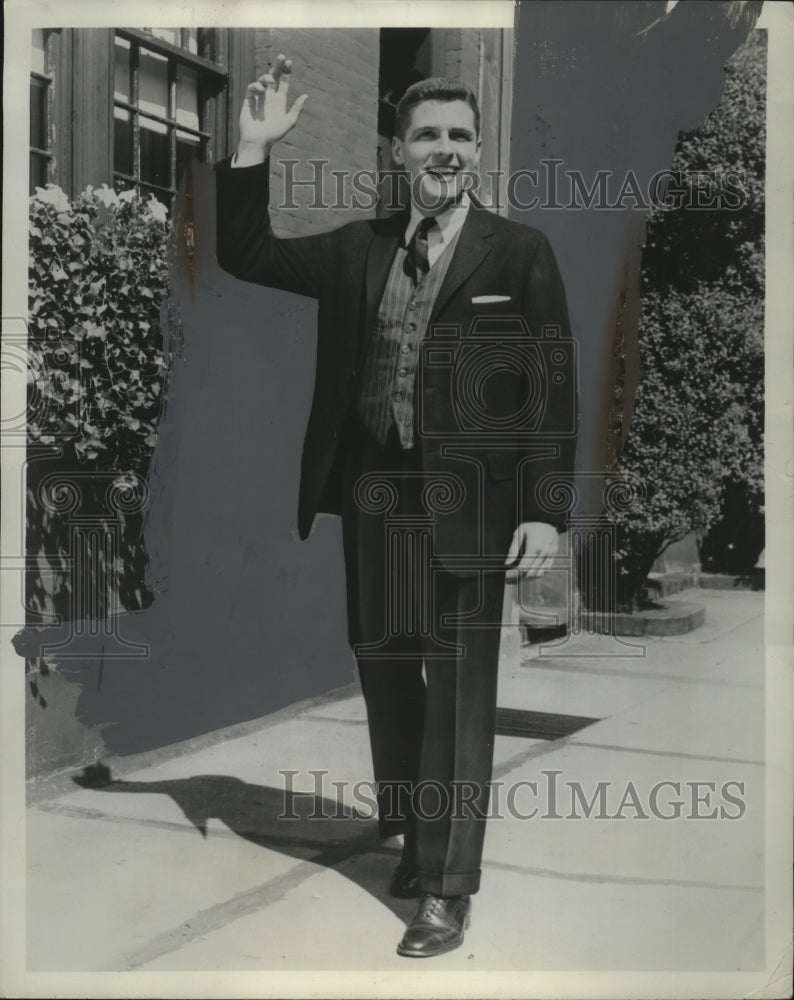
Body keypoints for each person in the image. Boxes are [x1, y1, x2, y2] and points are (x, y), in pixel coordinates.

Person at [215, 55, 577, 958]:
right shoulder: (355, 248)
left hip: (475, 507)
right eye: (427, 136)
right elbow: (246, 253)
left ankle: (448, 890)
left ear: (479, 151)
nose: (444, 150)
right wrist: (253, 150)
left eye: (460, 136)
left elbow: (551, 388)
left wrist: (546, 511)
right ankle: (418, 840)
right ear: (397, 151)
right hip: (376, 495)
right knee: (386, 673)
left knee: (458, 693)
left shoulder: (519, 252)